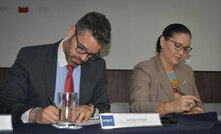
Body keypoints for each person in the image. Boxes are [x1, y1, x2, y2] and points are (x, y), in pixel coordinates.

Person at [0, 12, 111, 124]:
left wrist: (90, 110)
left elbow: (104, 107)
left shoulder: (97, 66)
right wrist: (34, 114)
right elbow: (5, 103)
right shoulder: (30, 59)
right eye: (81, 48)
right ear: (72, 32)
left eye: (91, 54)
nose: (83, 58)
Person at [129, 23, 204, 115]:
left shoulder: (187, 71)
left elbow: (198, 104)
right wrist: (172, 107)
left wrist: (196, 111)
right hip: (159, 128)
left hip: (185, 125)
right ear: (163, 42)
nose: (181, 53)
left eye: (185, 49)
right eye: (177, 46)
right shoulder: (145, 69)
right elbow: (137, 107)